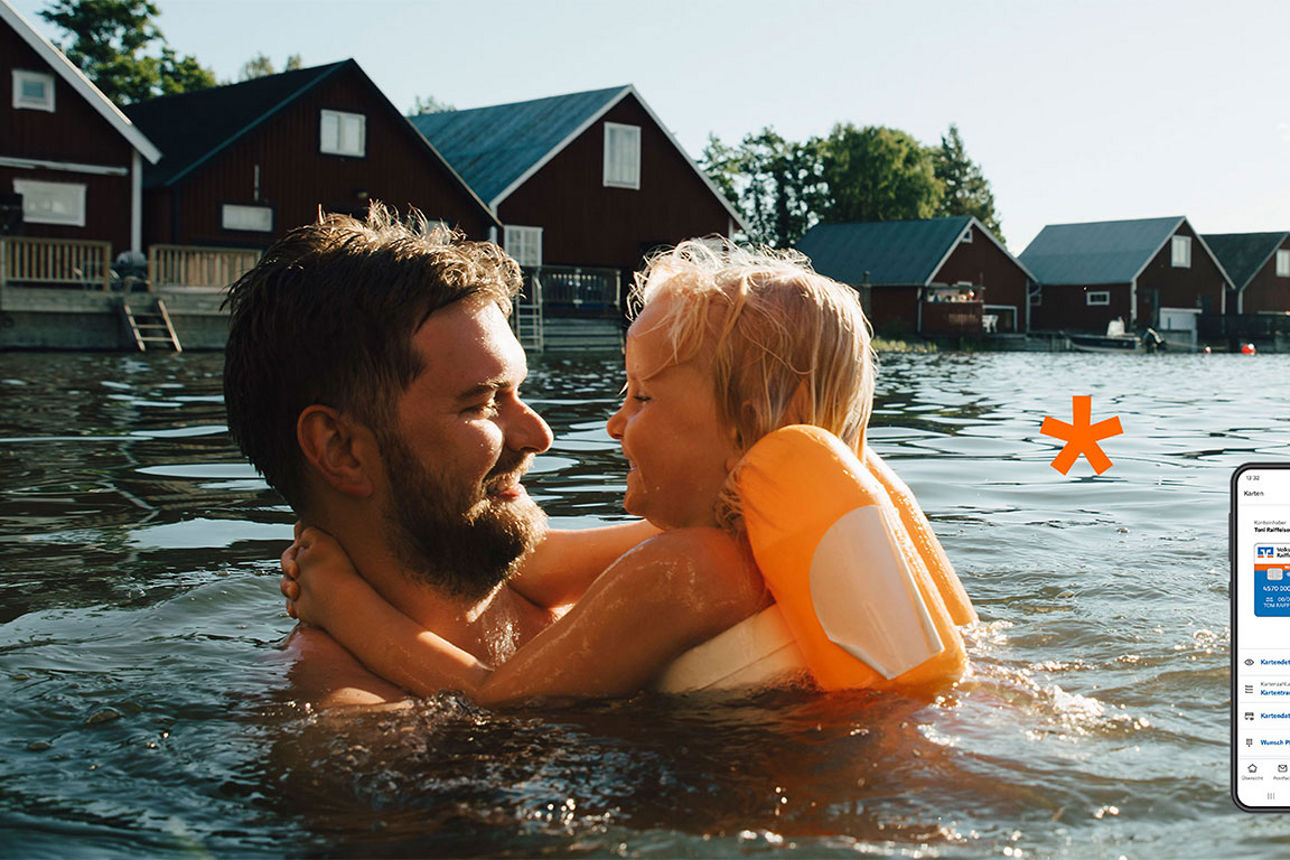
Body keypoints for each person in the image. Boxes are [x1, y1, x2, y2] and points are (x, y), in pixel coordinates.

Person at [281, 238, 972, 703]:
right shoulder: (768, 547)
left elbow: (494, 699)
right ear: (340, 450)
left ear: (746, 428)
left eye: (641, 397)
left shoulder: (689, 566)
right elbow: (539, 562)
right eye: (483, 403)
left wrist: (346, 603)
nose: (612, 424)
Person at [224, 203, 658, 708]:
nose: (540, 435)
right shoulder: (346, 722)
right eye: (482, 403)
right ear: (341, 450)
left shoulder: (539, 580)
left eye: (519, 393)